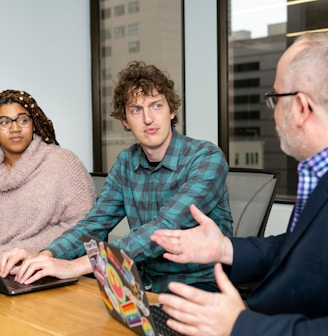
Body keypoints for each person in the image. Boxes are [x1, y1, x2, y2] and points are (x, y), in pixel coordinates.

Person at [150, 32, 328, 335]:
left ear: (300, 108)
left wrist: (240, 324)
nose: (273, 115)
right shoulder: (316, 173)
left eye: (276, 98)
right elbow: (300, 251)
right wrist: (223, 248)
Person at [0, 62, 233, 293]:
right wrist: (45, 256)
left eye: (156, 106)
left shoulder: (206, 158)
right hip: (141, 280)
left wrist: (76, 266)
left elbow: (165, 229)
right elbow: (94, 225)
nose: (148, 119)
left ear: (172, 111)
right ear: (124, 120)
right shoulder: (126, 162)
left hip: (199, 282)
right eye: (136, 110)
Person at [0, 89, 96, 253]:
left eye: (23, 120)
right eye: (4, 122)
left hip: (49, 267)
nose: (15, 128)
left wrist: (16, 251)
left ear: (34, 123)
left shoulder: (63, 163)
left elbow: (84, 227)